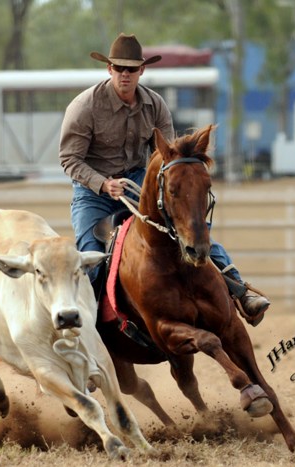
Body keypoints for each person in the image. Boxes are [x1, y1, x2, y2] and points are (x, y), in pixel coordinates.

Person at [59, 33, 270, 326]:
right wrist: (103, 184)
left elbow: (169, 157)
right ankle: (88, 323)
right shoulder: (85, 107)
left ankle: (240, 291)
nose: (125, 74)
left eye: (131, 69)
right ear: (109, 69)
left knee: (189, 230)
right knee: (92, 255)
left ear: (141, 71)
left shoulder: (155, 105)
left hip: (137, 184)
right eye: (119, 68)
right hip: (93, 193)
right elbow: (70, 159)